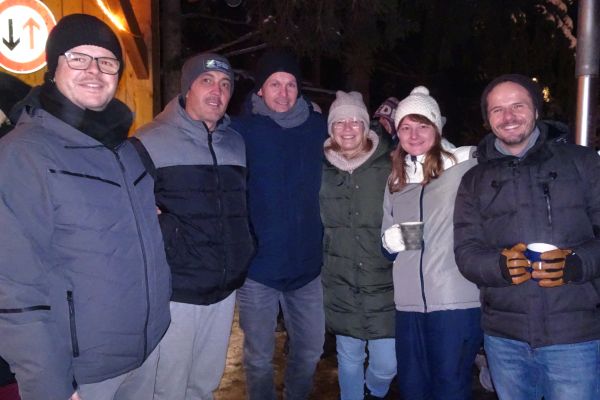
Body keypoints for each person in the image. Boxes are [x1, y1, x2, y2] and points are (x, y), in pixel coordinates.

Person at [0, 14, 171, 400]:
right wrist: (51, 387)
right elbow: (13, 289)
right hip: (82, 374)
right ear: (52, 69)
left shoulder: (125, 150)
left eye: (107, 61)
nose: (94, 70)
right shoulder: (23, 154)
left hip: (146, 351)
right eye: (78, 58)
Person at [454, 74, 600, 400]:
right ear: (488, 119)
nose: (508, 116)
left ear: (535, 110)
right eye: (497, 110)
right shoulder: (473, 180)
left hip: (574, 336)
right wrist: (500, 267)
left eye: (518, 106)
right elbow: (466, 251)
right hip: (504, 338)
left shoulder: (583, 163)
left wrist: (577, 264)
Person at [133, 52, 255, 400]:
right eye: (207, 81)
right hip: (178, 292)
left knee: (205, 384)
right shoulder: (149, 140)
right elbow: (127, 209)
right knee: (168, 387)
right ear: (187, 88)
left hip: (223, 291)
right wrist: (167, 232)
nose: (217, 91)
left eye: (225, 84)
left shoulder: (235, 142)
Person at [231, 49, 327, 400]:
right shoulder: (240, 131)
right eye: (275, 84)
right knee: (258, 358)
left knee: (310, 350)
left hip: (307, 267)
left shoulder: (318, 128)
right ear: (260, 89)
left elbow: (359, 143)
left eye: (290, 84)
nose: (283, 93)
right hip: (259, 270)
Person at [381, 86, 482, 400]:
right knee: (412, 388)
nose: (414, 135)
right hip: (408, 304)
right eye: (405, 127)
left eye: (423, 125)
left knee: (450, 387)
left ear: (437, 128)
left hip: (455, 301)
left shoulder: (465, 163)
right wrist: (390, 243)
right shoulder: (395, 179)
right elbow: (387, 243)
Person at [320, 91, 396, 400]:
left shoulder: (390, 163)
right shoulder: (321, 168)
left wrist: (404, 246)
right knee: (349, 359)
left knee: (387, 364)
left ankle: (373, 392)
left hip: (383, 282)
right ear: (331, 128)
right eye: (340, 122)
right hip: (339, 282)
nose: (348, 128)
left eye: (355, 121)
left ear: (366, 126)